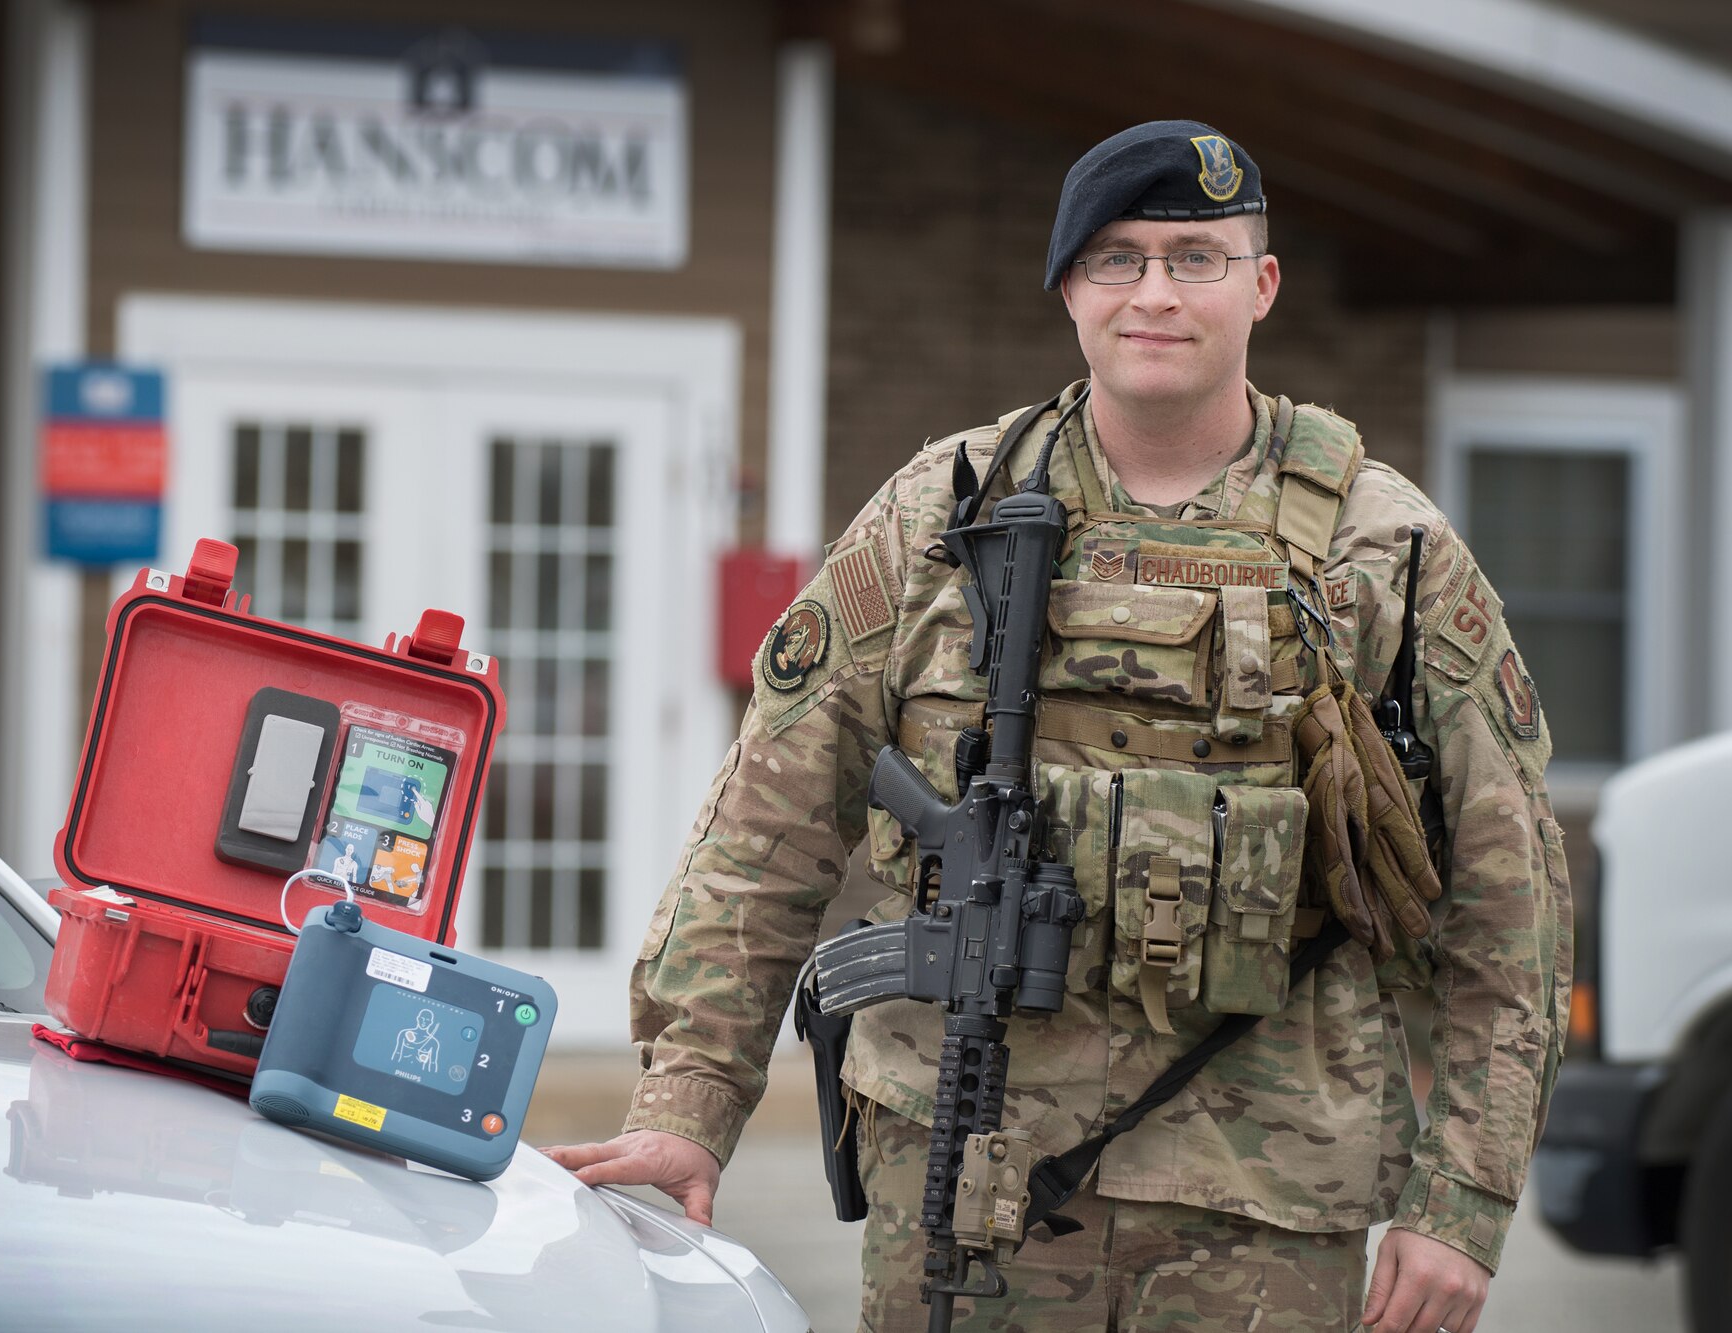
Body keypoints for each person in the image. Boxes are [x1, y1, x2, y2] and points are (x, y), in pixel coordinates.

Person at [546, 121, 1570, 1333]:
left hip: (1266, 1213)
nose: (1153, 294)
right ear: (1068, 286)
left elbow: (1512, 899)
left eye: (1194, 258)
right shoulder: (942, 515)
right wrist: (684, 1104)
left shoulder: (1382, 550)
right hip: (960, 1179)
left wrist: (1460, 1201)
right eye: (1115, 258)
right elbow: (765, 824)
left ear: (1261, 283)